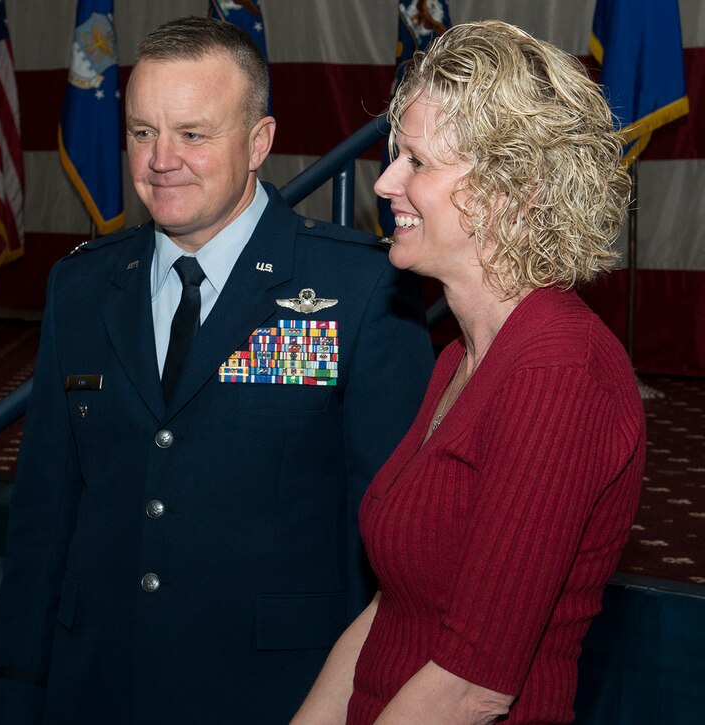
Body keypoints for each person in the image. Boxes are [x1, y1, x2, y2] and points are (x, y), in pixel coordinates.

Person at [0, 15, 433, 724]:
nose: (162, 159)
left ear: (259, 141)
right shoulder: (81, 288)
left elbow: (393, 547)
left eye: (193, 134)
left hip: (274, 695)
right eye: (141, 132)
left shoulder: (358, 291)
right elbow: (44, 520)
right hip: (96, 687)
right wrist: (16, 694)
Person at [293, 20, 646, 725]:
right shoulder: (461, 354)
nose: (387, 180)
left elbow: (471, 686)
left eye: (417, 162)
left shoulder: (557, 372)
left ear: (508, 191)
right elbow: (392, 608)